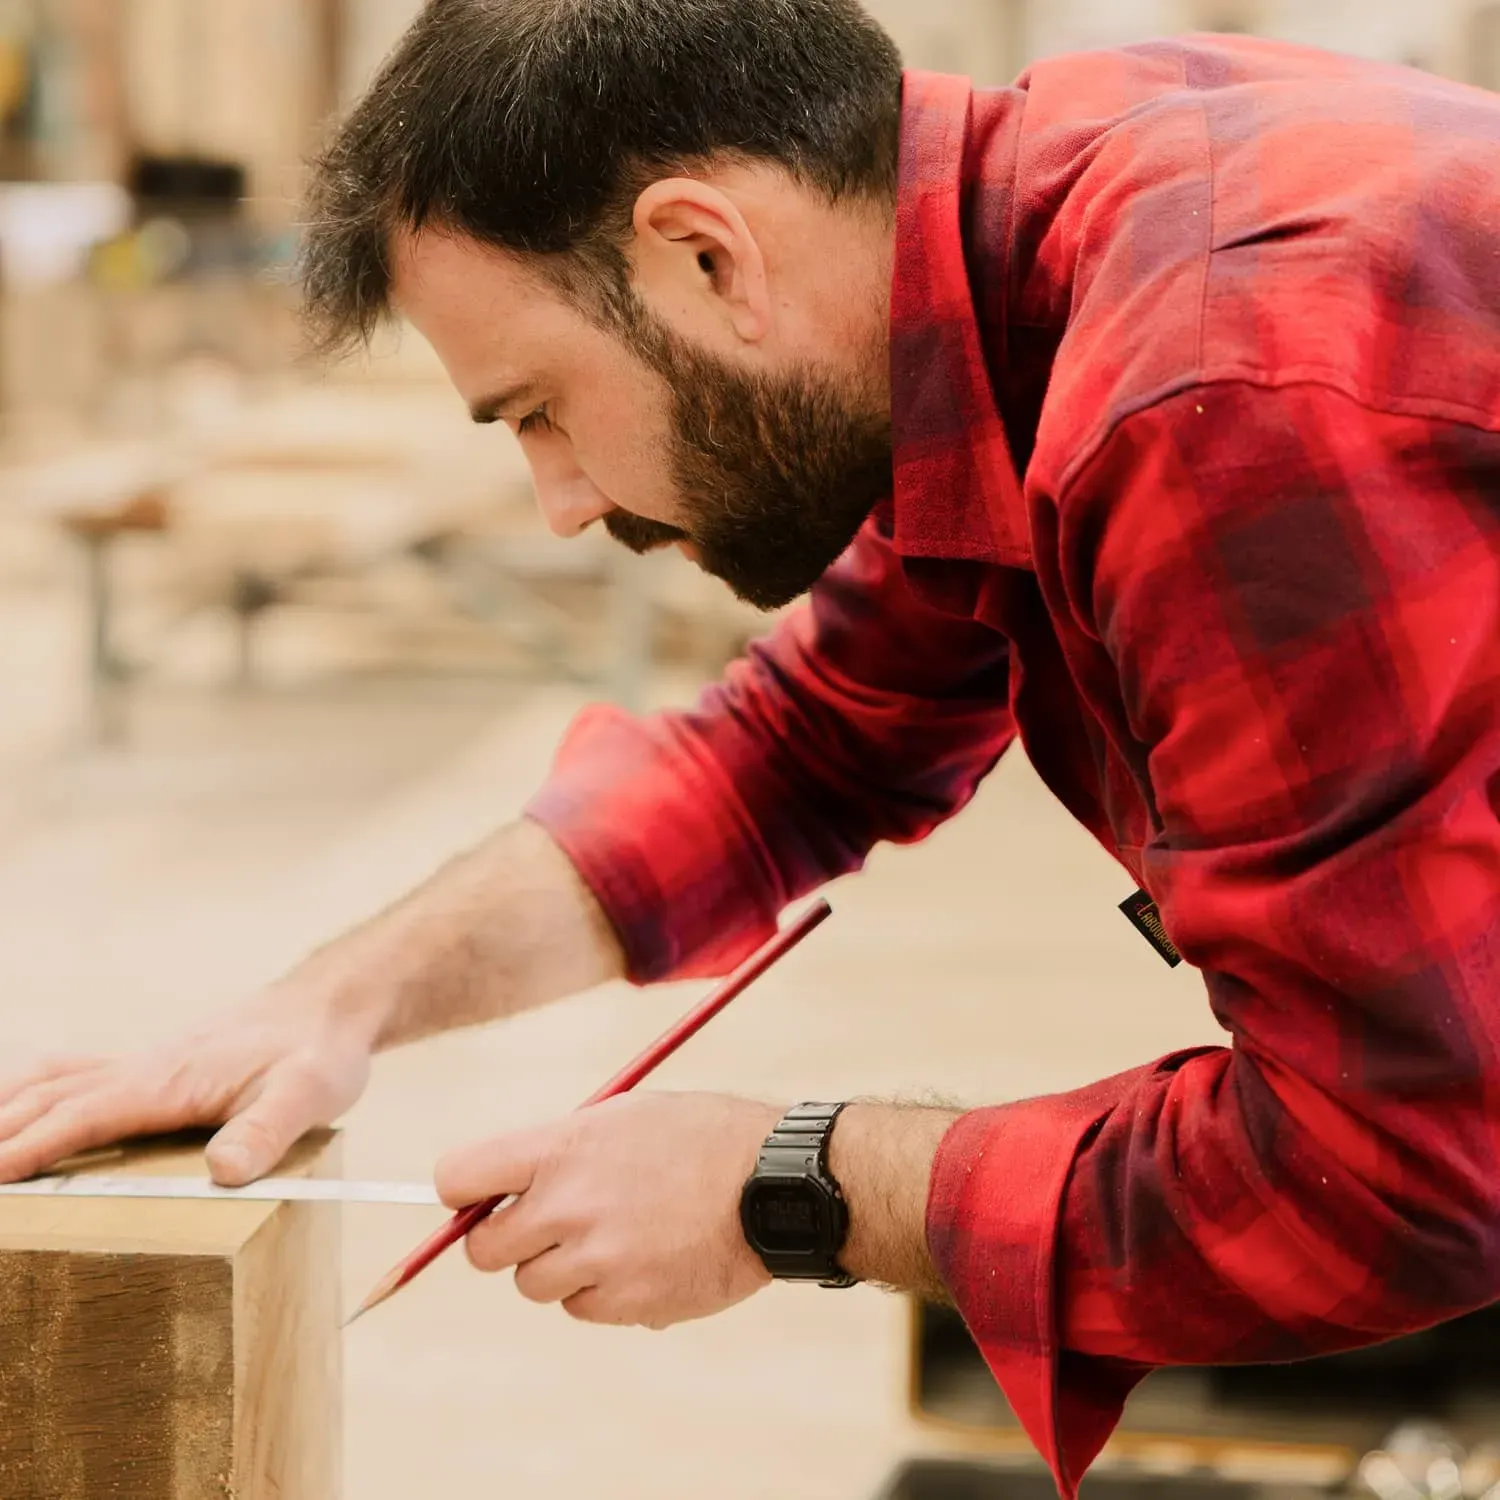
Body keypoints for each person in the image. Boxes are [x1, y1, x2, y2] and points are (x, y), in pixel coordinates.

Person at [6, 1, 1500, 1492]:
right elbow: (789, 749)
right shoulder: (1023, 242)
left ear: (705, 254)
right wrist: (331, 1004)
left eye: (541, 410)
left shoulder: (1215, 389)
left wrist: (785, 1185)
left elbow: (1397, 1164)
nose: (562, 504)